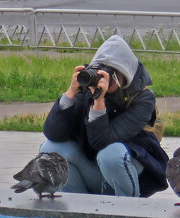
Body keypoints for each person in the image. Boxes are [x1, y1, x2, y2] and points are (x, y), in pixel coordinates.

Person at [40, 35, 169, 198]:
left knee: (110, 154)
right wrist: (71, 94)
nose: (103, 80)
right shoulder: (88, 90)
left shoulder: (143, 99)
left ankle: (126, 212)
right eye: (99, 72)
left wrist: (99, 103)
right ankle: (78, 210)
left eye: (111, 75)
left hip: (130, 171)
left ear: (124, 76)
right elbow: (53, 133)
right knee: (51, 148)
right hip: (94, 168)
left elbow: (102, 142)